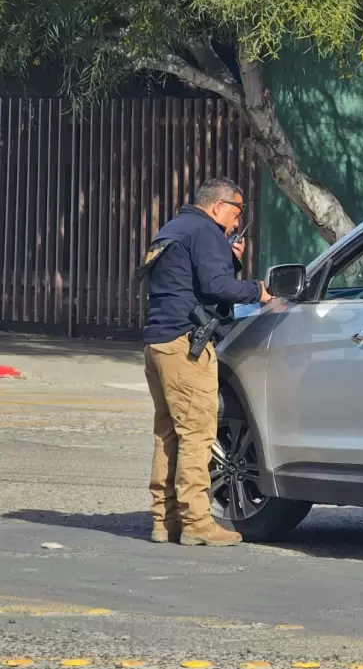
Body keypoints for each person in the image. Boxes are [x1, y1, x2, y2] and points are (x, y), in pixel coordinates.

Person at [141, 177, 272, 547]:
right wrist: (256, 289)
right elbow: (217, 287)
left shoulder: (175, 227)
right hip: (187, 346)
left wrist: (228, 259)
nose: (236, 221)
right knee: (197, 435)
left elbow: (191, 282)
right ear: (218, 206)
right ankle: (198, 522)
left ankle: (163, 521)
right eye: (237, 211)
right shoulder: (207, 231)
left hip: (158, 344)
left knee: (168, 435)